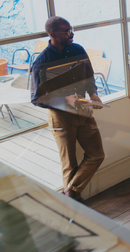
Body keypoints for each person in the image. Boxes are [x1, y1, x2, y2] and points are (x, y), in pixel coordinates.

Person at [30, 16, 105, 201]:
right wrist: (65, 99)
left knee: (97, 155)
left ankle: (69, 194)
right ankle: (74, 205)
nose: (71, 34)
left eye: (71, 30)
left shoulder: (78, 49)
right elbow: (36, 98)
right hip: (62, 118)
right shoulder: (42, 62)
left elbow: (89, 76)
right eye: (67, 31)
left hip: (84, 112)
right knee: (69, 164)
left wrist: (93, 93)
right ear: (53, 34)